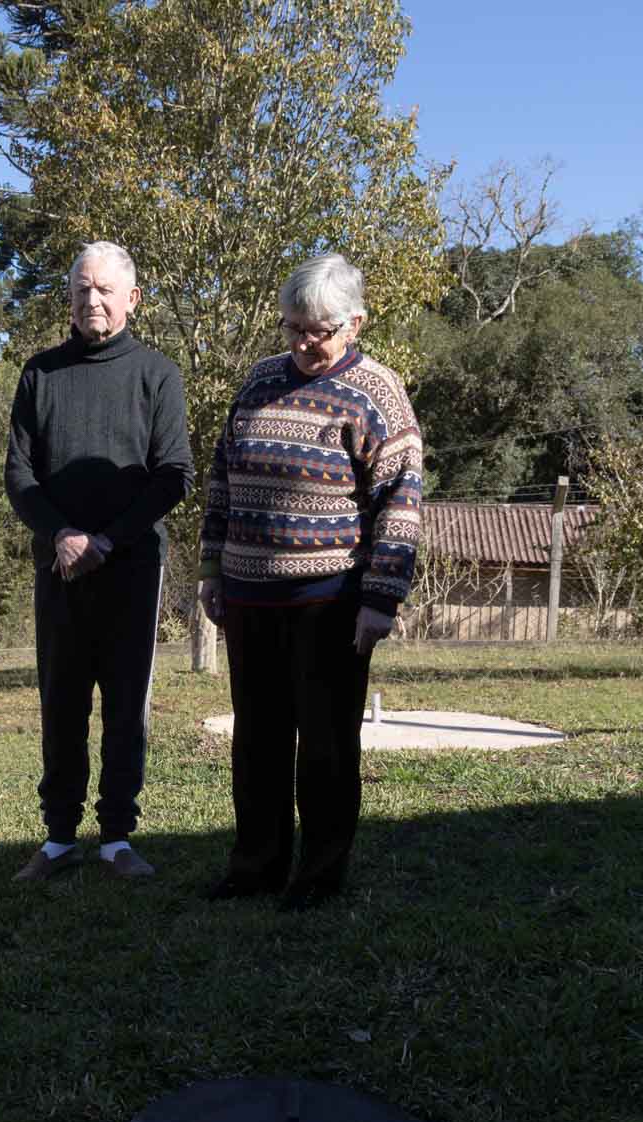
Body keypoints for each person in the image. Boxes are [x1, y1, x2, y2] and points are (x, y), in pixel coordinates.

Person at [197, 253, 423, 911]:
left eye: (317, 331)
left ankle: (319, 877)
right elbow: (223, 477)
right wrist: (211, 567)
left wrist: (381, 598)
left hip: (331, 602)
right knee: (258, 740)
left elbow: (401, 501)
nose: (302, 343)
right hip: (248, 594)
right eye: (293, 327)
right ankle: (255, 867)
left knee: (325, 745)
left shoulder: (379, 392)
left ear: (355, 323)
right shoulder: (260, 379)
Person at [4, 241, 194, 882]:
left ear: (131, 298)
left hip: (132, 569)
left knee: (124, 706)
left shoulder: (158, 374)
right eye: (82, 288)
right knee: (61, 703)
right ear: (69, 297)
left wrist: (108, 539)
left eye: (106, 289)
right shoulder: (40, 373)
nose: (93, 299)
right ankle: (59, 837)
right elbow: (19, 474)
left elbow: (173, 474)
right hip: (58, 568)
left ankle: (117, 837)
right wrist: (61, 534)